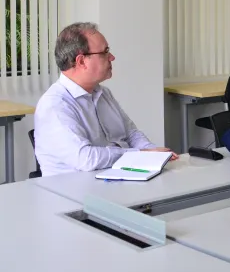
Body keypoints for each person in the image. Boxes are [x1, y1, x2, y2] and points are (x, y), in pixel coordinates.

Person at [34, 22, 176, 176]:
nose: (112, 57)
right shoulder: (55, 104)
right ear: (81, 61)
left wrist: (153, 153)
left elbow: (131, 134)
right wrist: (140, 154)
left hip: (116, 178)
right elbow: (86, 159)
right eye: (105, 52)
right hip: (76, 187)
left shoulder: (103, 93)